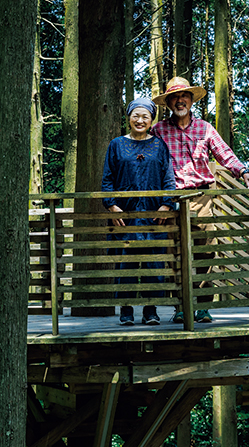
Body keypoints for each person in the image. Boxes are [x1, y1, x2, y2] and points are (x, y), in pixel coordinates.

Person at [151, 76, 249, 324]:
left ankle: (202, 306)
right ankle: (181, 307)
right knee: (174, 254)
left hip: (202, 196)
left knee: (207, 251)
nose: (180, 100)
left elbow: (225, 154)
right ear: (169, 102)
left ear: (191, 100)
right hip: (171, 200)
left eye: (184, 96)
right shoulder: (158, 130)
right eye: (175, 97)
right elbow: (146, 159)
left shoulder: (205, 128)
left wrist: (244, 172)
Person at [101, 97, 177, 326]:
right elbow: (107, 179)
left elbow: (168, 178)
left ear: (151, 119)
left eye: (145, 116)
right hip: (125, 216)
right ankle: (125, 311)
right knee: (126, 263)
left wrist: (166, 204)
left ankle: (150, 311)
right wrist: (112, 205)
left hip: (154, 216)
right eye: (136, 115)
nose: (140, 120)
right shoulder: (116, 144)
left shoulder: (159, 145)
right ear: (129, 117)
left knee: (154, 263)